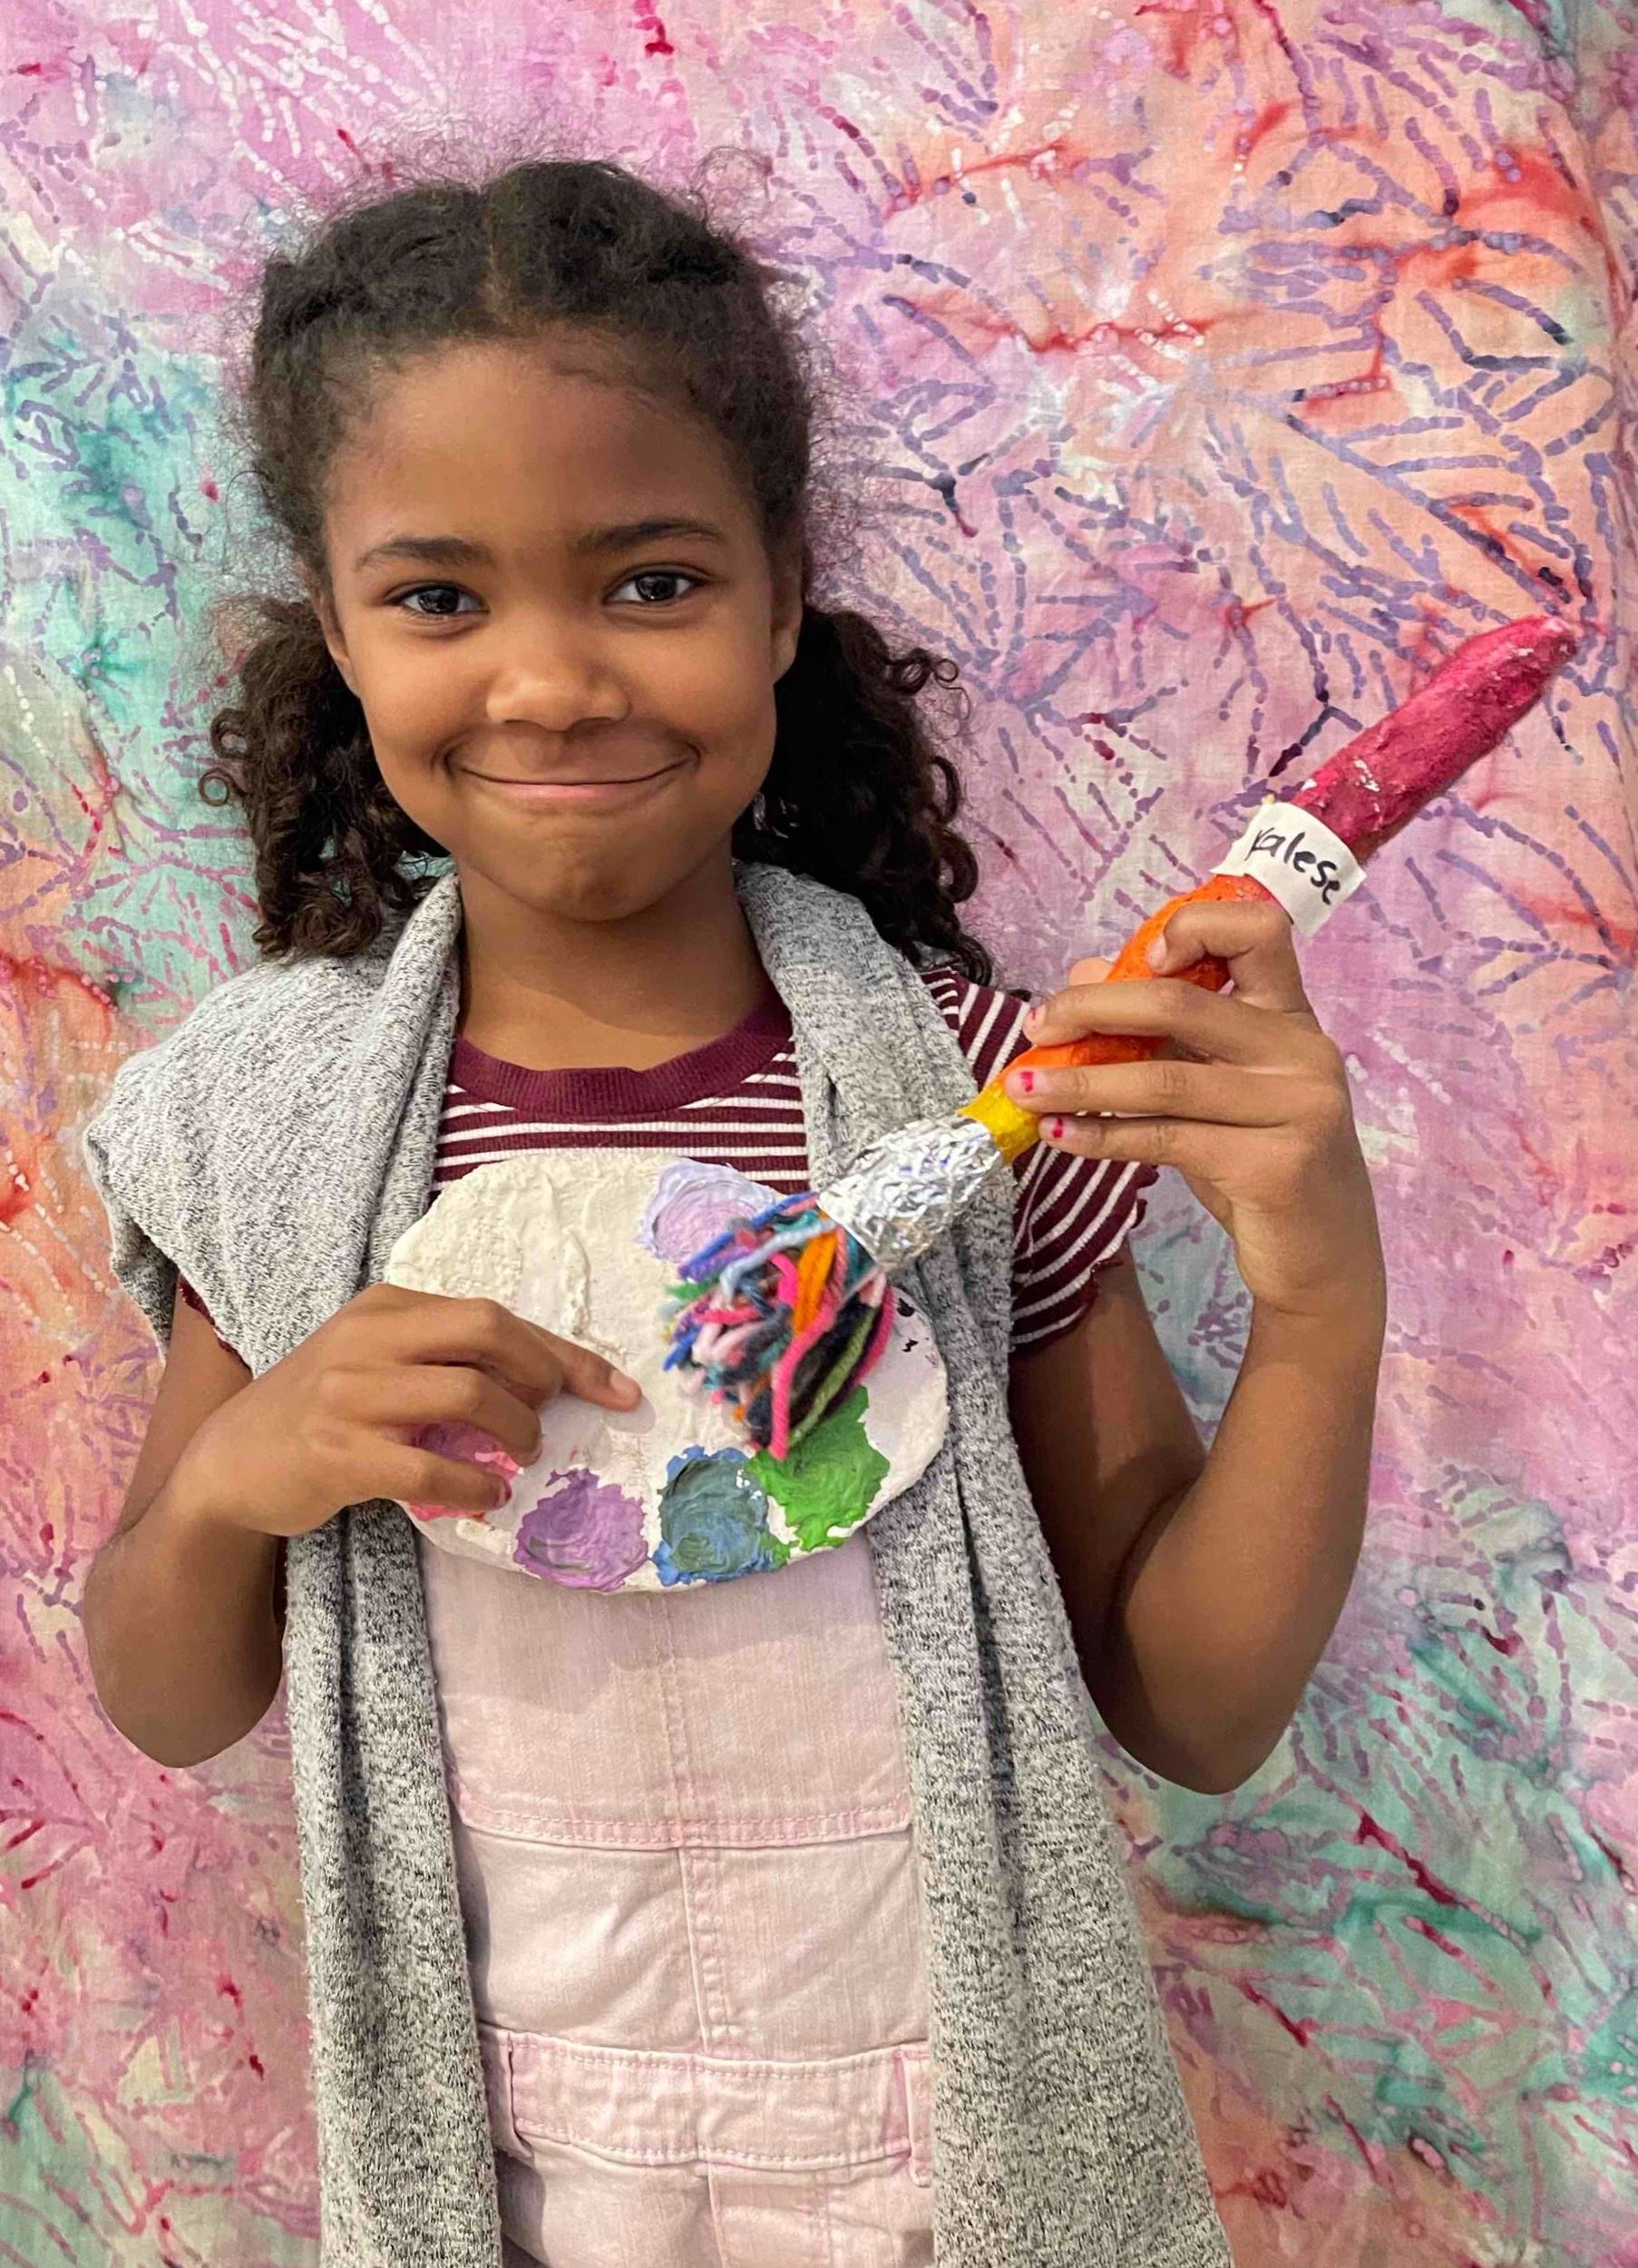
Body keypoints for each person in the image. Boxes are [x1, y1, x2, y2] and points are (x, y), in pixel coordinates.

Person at [80, 156, 1385, 2268]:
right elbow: (167, 1693)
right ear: (336, 626)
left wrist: (1320, 1310)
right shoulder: (274, 1127)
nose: (549, 681)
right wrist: (243, 1467)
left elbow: (1196, 1706)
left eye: (652, 581)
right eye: (440, 598)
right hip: (517, 2179)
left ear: (782, 598)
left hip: (937, 2178)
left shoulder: (984, 1102)